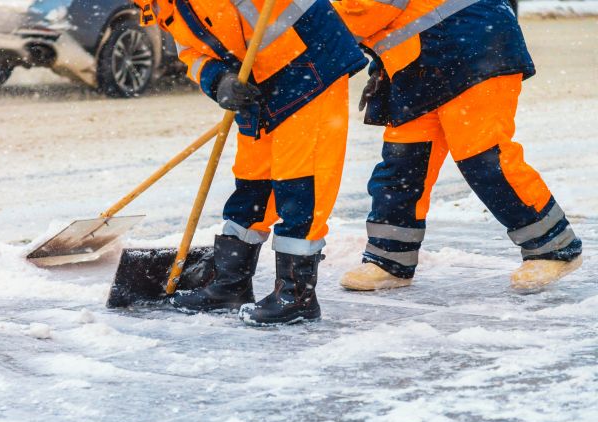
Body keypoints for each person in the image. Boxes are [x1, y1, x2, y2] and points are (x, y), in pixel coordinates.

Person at [132, 0, 366, 324]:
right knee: (252, 182)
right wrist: (219, 81)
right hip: (255, 83)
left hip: (309, 62)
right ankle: (230, 284)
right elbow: (192, 54)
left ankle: (297, 296)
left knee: (301, 183)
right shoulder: (158, 6)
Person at [332, 0, 582, 291]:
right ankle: (389, 259)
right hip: (417, 62)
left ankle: (552, 247)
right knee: (403, 162)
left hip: (472, 46)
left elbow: (363, 9)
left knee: (483, 157)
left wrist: (308, 32)